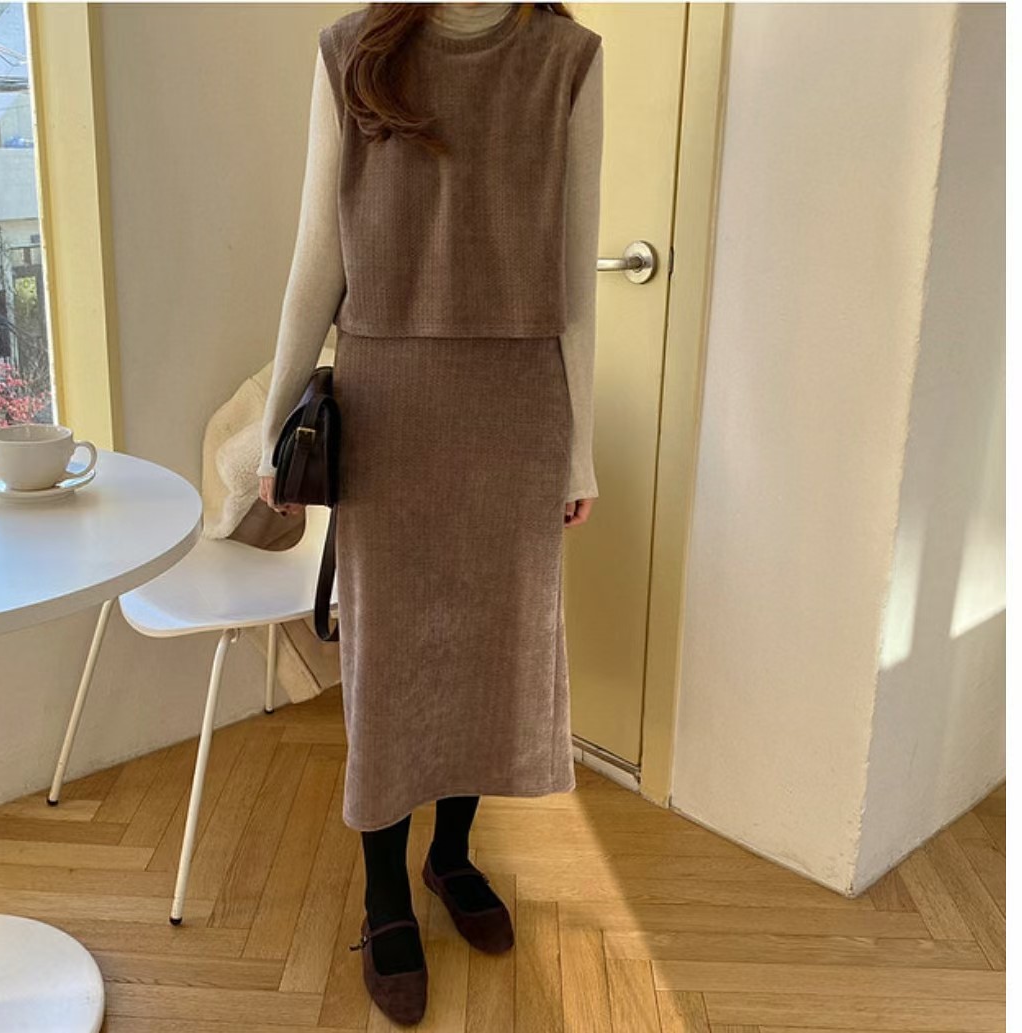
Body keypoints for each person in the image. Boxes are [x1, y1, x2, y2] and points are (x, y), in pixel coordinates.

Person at [256, 3, 602, 1024]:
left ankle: (451, 854)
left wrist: (579, 447)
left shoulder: (567, 59)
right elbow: (317, 252)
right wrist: (274, 426)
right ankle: (383, 896)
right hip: (388, 401)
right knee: (391, 657)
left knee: (491, 649)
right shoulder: (354, 49)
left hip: (518, 403)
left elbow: (575, 272)